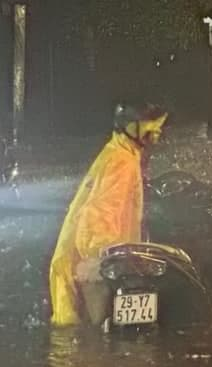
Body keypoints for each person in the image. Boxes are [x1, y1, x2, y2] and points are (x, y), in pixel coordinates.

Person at [49, 103, 168, 326]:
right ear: (131, 125)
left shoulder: (122, 153)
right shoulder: (121, 161)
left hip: (103, 260)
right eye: (154, 123)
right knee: (102, 338)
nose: (159, 130)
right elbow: (99, 213)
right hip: (101, 265)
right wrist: (106, 258)